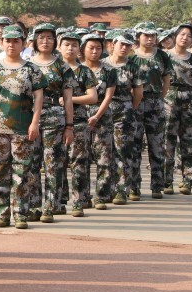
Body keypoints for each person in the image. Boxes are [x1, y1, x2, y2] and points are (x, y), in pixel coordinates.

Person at [0, 24, 46, 229]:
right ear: (1, 42)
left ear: (23, 43)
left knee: (22, 173)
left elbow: (39, 97)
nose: (11, 44)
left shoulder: (31, 69)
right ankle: (2, 213)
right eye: (7, 40)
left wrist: (35, 123)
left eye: (16, 41)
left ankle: (20, 214)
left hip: (22, 129)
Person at [28, 23, 75, 222]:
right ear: (35, 41)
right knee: (31, 163)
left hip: (55, 117)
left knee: (53, 163)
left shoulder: (61, 65)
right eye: (41, 38)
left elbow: (69, 98)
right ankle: (33, 204)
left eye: (49, 38)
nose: (45, 41)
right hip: (29, 118)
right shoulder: (27, 64)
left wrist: (69, 126)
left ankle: (51, 204)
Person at [58, 32, 99, 216]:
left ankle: (79, 200)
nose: (70, 48)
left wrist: (69, 100)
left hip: (79, 121)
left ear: (79, 49)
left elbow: (92, 97)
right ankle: (59, 200)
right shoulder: (54, 68)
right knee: (57, 162)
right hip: (54, 121)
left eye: (74, 45)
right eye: (66, 44)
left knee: (79, 162)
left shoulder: (84, 71)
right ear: (59, 47)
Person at [129, 22, 171, 200]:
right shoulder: (131, 57)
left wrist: (160, 98)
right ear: (138, 37)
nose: (150, 38)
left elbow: (166, 79)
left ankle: (157, 185)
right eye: (146, 35)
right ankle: (134, 186)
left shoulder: (161, 56)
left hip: (155, 102)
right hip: (136, 103)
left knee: (157, 146)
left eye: (152, 35)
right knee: (134, 145)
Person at [103, 31, 144, 205]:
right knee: (104, 151)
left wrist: (130, 109)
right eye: (121, 44)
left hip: (124, 110)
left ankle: (121, 189)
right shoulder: (102, 64)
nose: (124, 48)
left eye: (128, 45)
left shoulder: (133, 66)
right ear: (113, 44)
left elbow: (138, 93)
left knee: (122, 150)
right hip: (103, 110)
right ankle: (105, 189)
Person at [162, 23, 192, 195]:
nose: (185, 38)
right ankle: (166, 180)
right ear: (175, 36)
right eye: (182, 34)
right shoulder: (165, 56)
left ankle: (188, 179)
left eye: (189, 36)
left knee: (189, 140)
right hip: (169, 97)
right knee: (167, 140)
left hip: (189, 100)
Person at [82, 34, 116, 210]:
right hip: (80, 116)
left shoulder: (109, 70)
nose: (95, 51)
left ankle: (101, 196)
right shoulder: (76, 70)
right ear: (83, 49)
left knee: (104, 157)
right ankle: (83, 196)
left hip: (102, 115)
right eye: (91, 48)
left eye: (98, 48)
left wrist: (96, 116)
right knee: (82, 157)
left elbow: (109, 96)